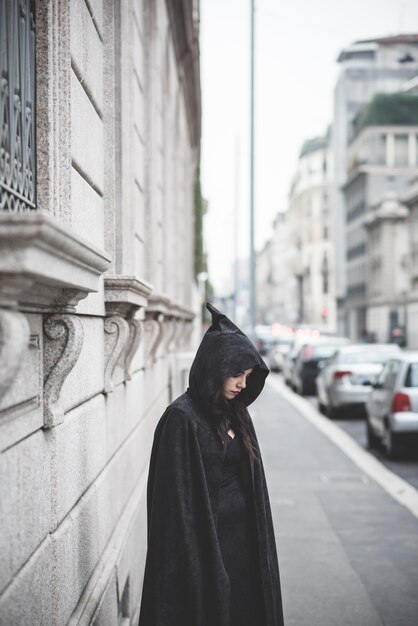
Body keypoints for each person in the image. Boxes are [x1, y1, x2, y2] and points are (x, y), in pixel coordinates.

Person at [138, 303, 284, 626]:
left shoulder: (236, 411)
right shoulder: (181, 419)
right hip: (205, 554)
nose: (243, 384)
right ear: (216, 367)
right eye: (237, 374)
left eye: (247, 376)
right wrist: (204, 562)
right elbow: (173, 513)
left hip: (244, 547)